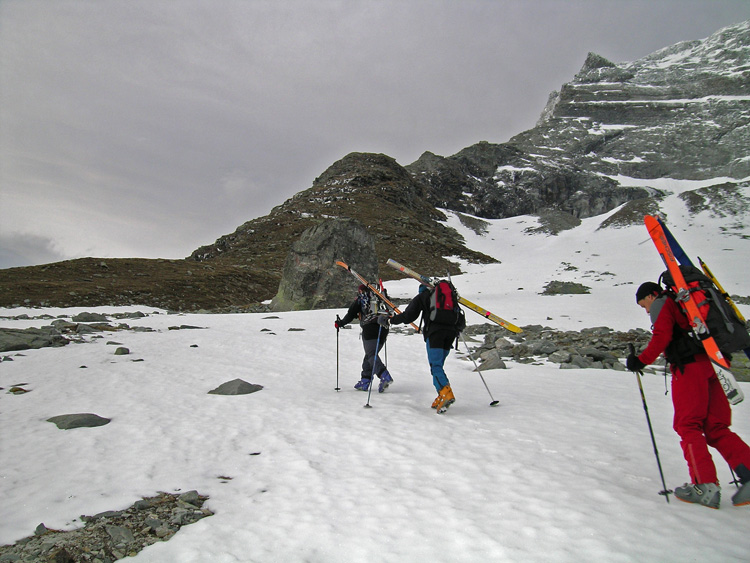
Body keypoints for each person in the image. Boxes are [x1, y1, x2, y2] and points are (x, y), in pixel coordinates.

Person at [627, 281, 750, 509]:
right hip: (716, 364)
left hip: (690, 368)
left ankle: (704, 485)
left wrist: (640, 361)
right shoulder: (687, 301)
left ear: (652, 295)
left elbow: (662, 336)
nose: (646, 310)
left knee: (688, 425)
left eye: (644, 304)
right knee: (716, 427)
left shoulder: (663, 302)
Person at [389, 283, 462, 413]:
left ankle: (446, 392)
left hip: (435, 333)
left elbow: (409, 316)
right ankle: (441, 394)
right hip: (450, 334)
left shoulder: (423, 296)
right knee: (438, 365)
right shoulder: (448, 296)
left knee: (435, 366)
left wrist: (391, 320)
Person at [335, 284, 393, 393]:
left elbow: (351, 314)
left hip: (370, 328)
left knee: (371, 354)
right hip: (383, 328)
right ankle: (365, 380)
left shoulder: (362, 298)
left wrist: (340, 323)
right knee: (369, 355)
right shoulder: (381, 297)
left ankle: (384, 375)